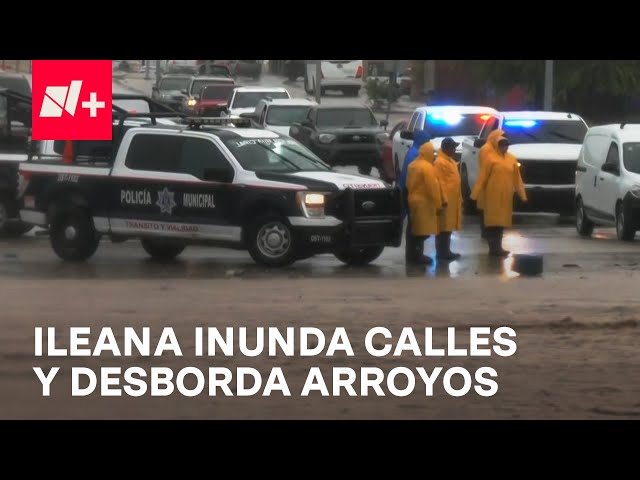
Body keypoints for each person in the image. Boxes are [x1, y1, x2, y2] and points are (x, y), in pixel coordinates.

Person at [470, 136, 527, 257]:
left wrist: (522, 195)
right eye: (502, 145)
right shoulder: (490, 159)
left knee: (501, 223)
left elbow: (517, 179)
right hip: (492, 195)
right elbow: (482, 178)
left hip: (506, 196)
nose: (504, 147)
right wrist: (474, 195)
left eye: (506, 145)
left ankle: (498, 247)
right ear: (497, 145)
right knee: (493, 223)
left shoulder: (512, 159)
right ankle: (493, 248)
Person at [406, 141, 445, 265]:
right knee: (423, 231)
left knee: (414, 229)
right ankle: (418, 255)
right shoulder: (427, 168)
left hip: (413, 199)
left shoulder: (412, 165)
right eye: (432, 152)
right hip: (424, 202)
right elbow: (432, 187)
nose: (433, 155)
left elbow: (407, 183)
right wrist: (439, 204)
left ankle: (411, 254)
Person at [399, 129, 432, 262]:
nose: (429, 143)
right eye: (427, 141)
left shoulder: (413, 151)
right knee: (416, 225)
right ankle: (415, 255)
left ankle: (413, 254)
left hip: (408, 191)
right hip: (412, 193)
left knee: (414, 225)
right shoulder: (417, 154)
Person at [434, 137, 462, 260]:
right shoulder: (440, 162)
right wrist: (443, 199)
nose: (454, 150)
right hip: (445, 201)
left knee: (447, 227)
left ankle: (446, 251)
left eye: (455, 147)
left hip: (452, 201)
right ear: (445, 148)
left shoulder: (450, 161)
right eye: (452, 147)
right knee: (443, 228)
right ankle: (442, 252)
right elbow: (438, 182)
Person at [475, 128, 505, 239]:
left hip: (493, 186)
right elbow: (486, 168)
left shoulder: (493, 148)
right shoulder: (486, 149)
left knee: (489, 210)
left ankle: (488, 232)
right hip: (487, 185)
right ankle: (485, 232)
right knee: (485, 210)